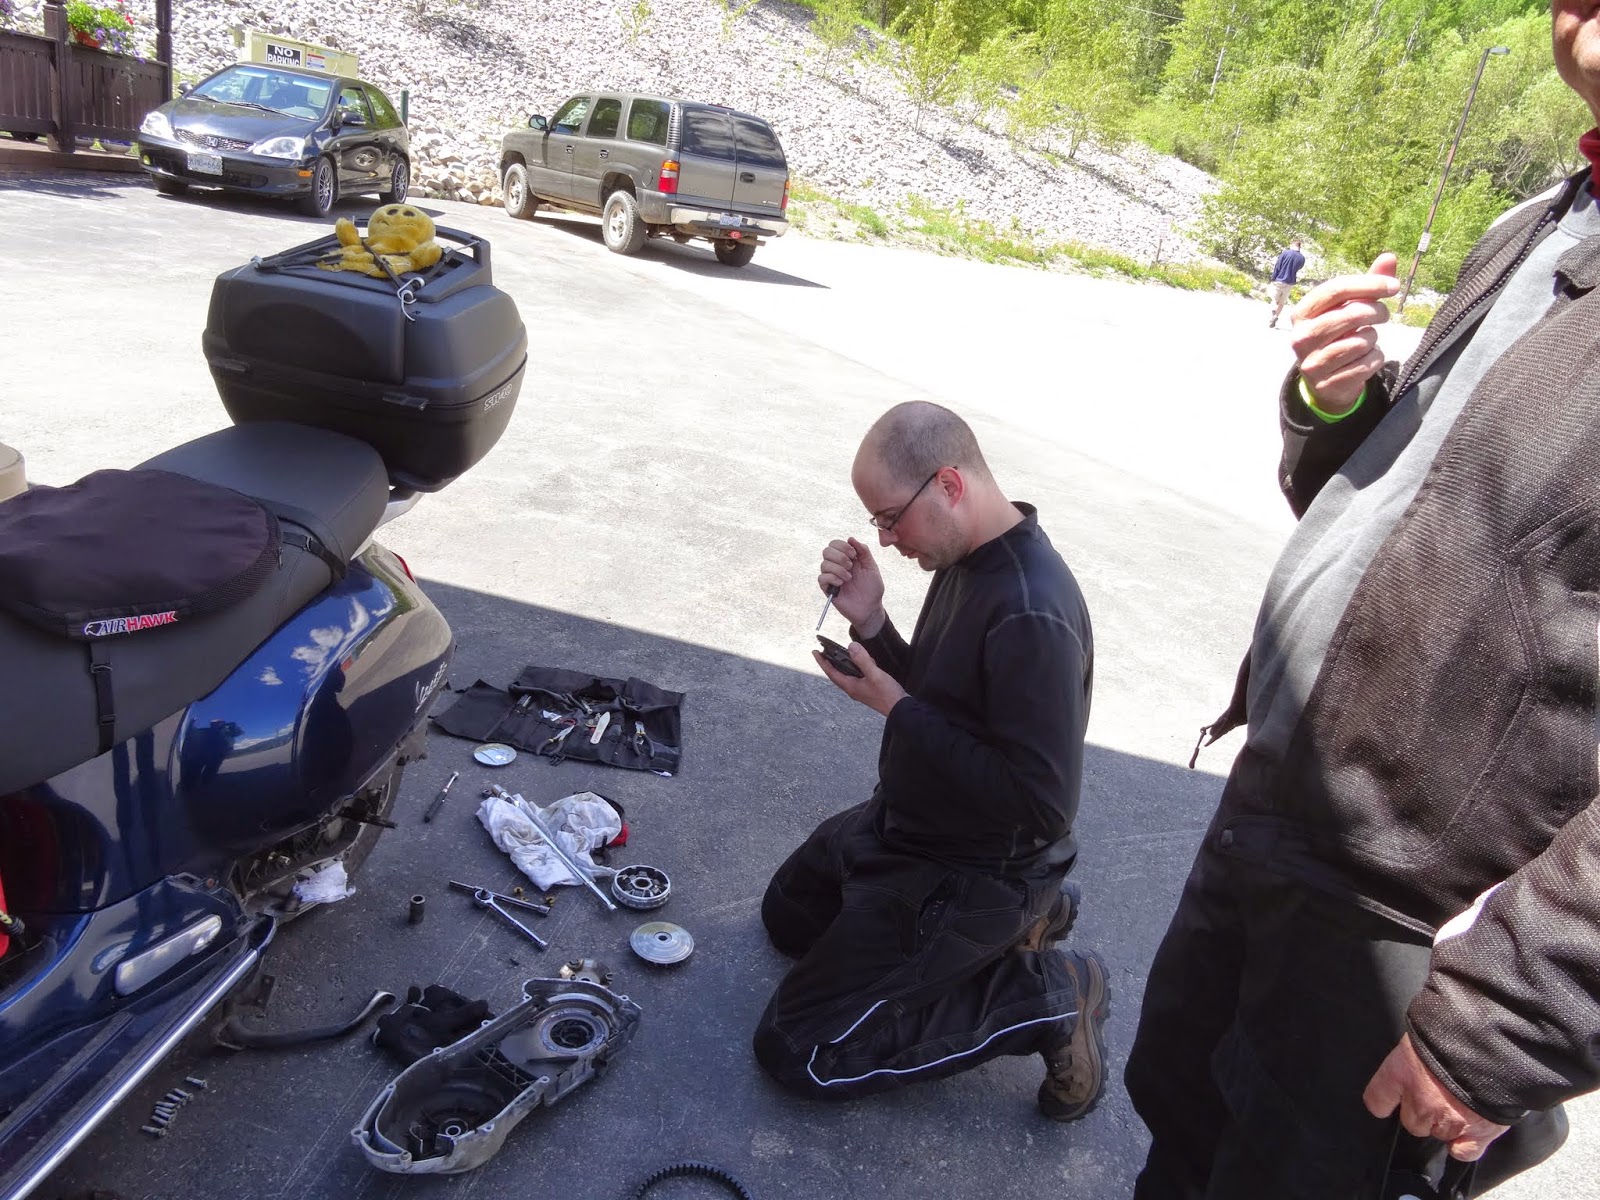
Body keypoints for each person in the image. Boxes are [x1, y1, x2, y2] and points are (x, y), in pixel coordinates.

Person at [1124, 6, 1600, 1196]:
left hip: (1410, 920)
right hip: (1279, 816)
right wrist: (1340, 409)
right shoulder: (1539, 224)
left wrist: (1519, 1007)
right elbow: (1413, 521)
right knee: (1178, 1133)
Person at [751, 401, 1105, 1120]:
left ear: (948, 484)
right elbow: (946, 703)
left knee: (799, 1048)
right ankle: (1001, 936)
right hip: (908, 822)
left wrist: (895, 707)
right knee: (789, 917)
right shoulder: (969, 555)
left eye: (891, 518)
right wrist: (872, 622)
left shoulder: (1030, 612)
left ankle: (1046, 996)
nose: (886, 539)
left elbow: (1041, 806)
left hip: (974, 868)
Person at [1267, 238, 1306, 328]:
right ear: (1299, 247)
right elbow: (1299, 268)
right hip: (1290, 282)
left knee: (1273, 299)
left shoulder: (1285, 253)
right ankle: (1276, 316)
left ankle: (1274, 315)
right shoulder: (1302, 258)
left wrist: (1273, 277)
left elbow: (1278, 265)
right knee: (1281, 302)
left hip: (1279, 279)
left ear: (1292, 245)